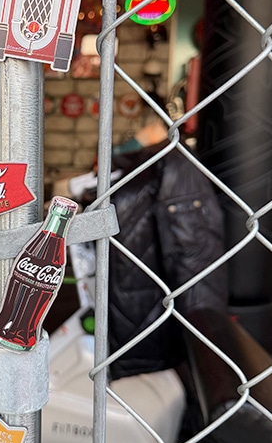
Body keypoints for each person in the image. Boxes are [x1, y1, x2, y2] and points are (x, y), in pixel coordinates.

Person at [88, 95, 228, 380]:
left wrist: (204, 342)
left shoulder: (176, 168)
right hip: (127, 318)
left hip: (151, 331)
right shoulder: (137, 164)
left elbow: (196, 260)